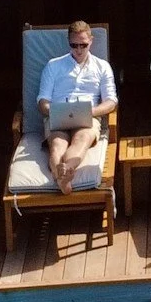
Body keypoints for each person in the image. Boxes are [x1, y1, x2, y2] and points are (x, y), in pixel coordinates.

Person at [37, 20, 117, 185]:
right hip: (58, 116)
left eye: (83, 45)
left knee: (82, 140)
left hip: (88, 117)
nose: (79, 49)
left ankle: (63, 175)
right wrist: (53, 111)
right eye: (74, 45)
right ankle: (63, 178)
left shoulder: (102, 67)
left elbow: (111, 101)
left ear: (91, 41)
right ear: (69, 42)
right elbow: (42, 101)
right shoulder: (54, 66)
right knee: (57, 144)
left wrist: (90, 112)